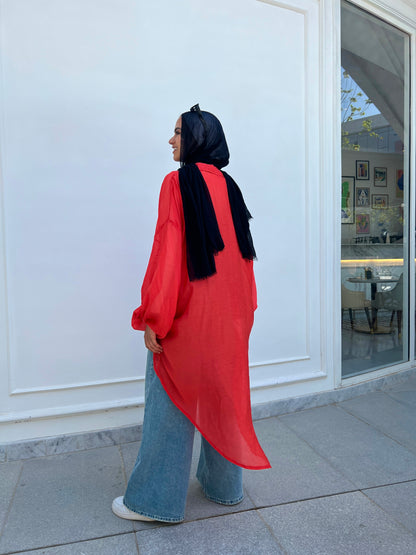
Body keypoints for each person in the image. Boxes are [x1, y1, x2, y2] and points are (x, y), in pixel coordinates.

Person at [112, 104, 270, 524]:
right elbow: (245, 259)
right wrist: (243, 315)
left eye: (178, 131)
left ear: (197, 138)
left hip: (188, 318)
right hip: (231, 318)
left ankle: (153, 502)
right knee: (221, 398)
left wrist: (154, 316)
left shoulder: (177, 183)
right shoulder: (231, 186)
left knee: (168, 403)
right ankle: (224, 489)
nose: (171, 139)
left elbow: (168, 256)